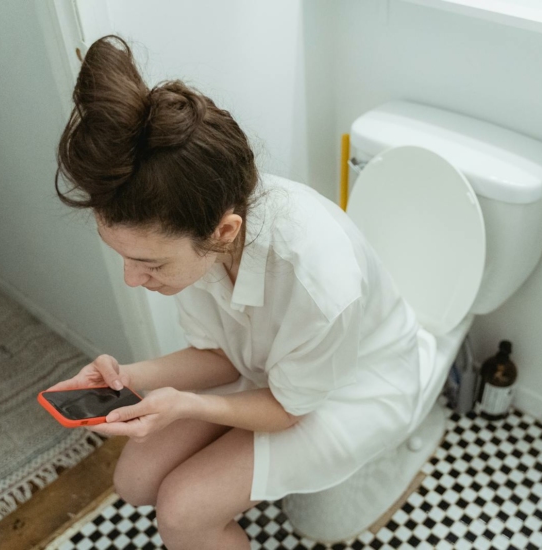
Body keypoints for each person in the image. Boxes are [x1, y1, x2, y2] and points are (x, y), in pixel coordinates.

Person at [47, 35, 435, 550]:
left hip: (354, 389)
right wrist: (128, 377)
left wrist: (186, 406)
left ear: (224, 233)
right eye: (123, 256)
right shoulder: (193, 208)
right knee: (134, 482)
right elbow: (221, 356)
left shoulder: (319, 281)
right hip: (271, 370)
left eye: (149, 264)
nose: (132, 278)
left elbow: (290, 409)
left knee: (183, 512)